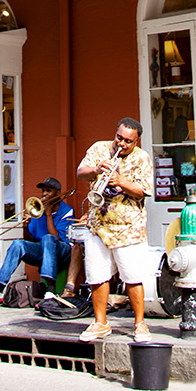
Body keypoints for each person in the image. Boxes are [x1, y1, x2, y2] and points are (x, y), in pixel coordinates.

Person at [75, 117, 153, 342]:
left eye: (128, 141)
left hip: (128, 227)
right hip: (98, 225)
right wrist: (96, 170)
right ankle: (101, 323)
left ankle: (140, 324)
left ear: (136, 142)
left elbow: (144, 191)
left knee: (132, 277)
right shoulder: (99, 148)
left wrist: (121, 182)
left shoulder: (142, 158)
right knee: (97, 276)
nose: (122, 144)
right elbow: (81, 173)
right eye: (119, 137)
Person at [0, 178, 75, 307]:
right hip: (43, 250)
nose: (44, 194)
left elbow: (56, 238)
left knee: (48, 239)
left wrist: (49, 214)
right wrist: (25, 226)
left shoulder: (67, 211)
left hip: (62, 251)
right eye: (43, 191)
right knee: (18, 244)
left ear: (58, 193)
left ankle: (50, 292)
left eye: (49, 191)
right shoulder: (37, 210)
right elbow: (30, 239)